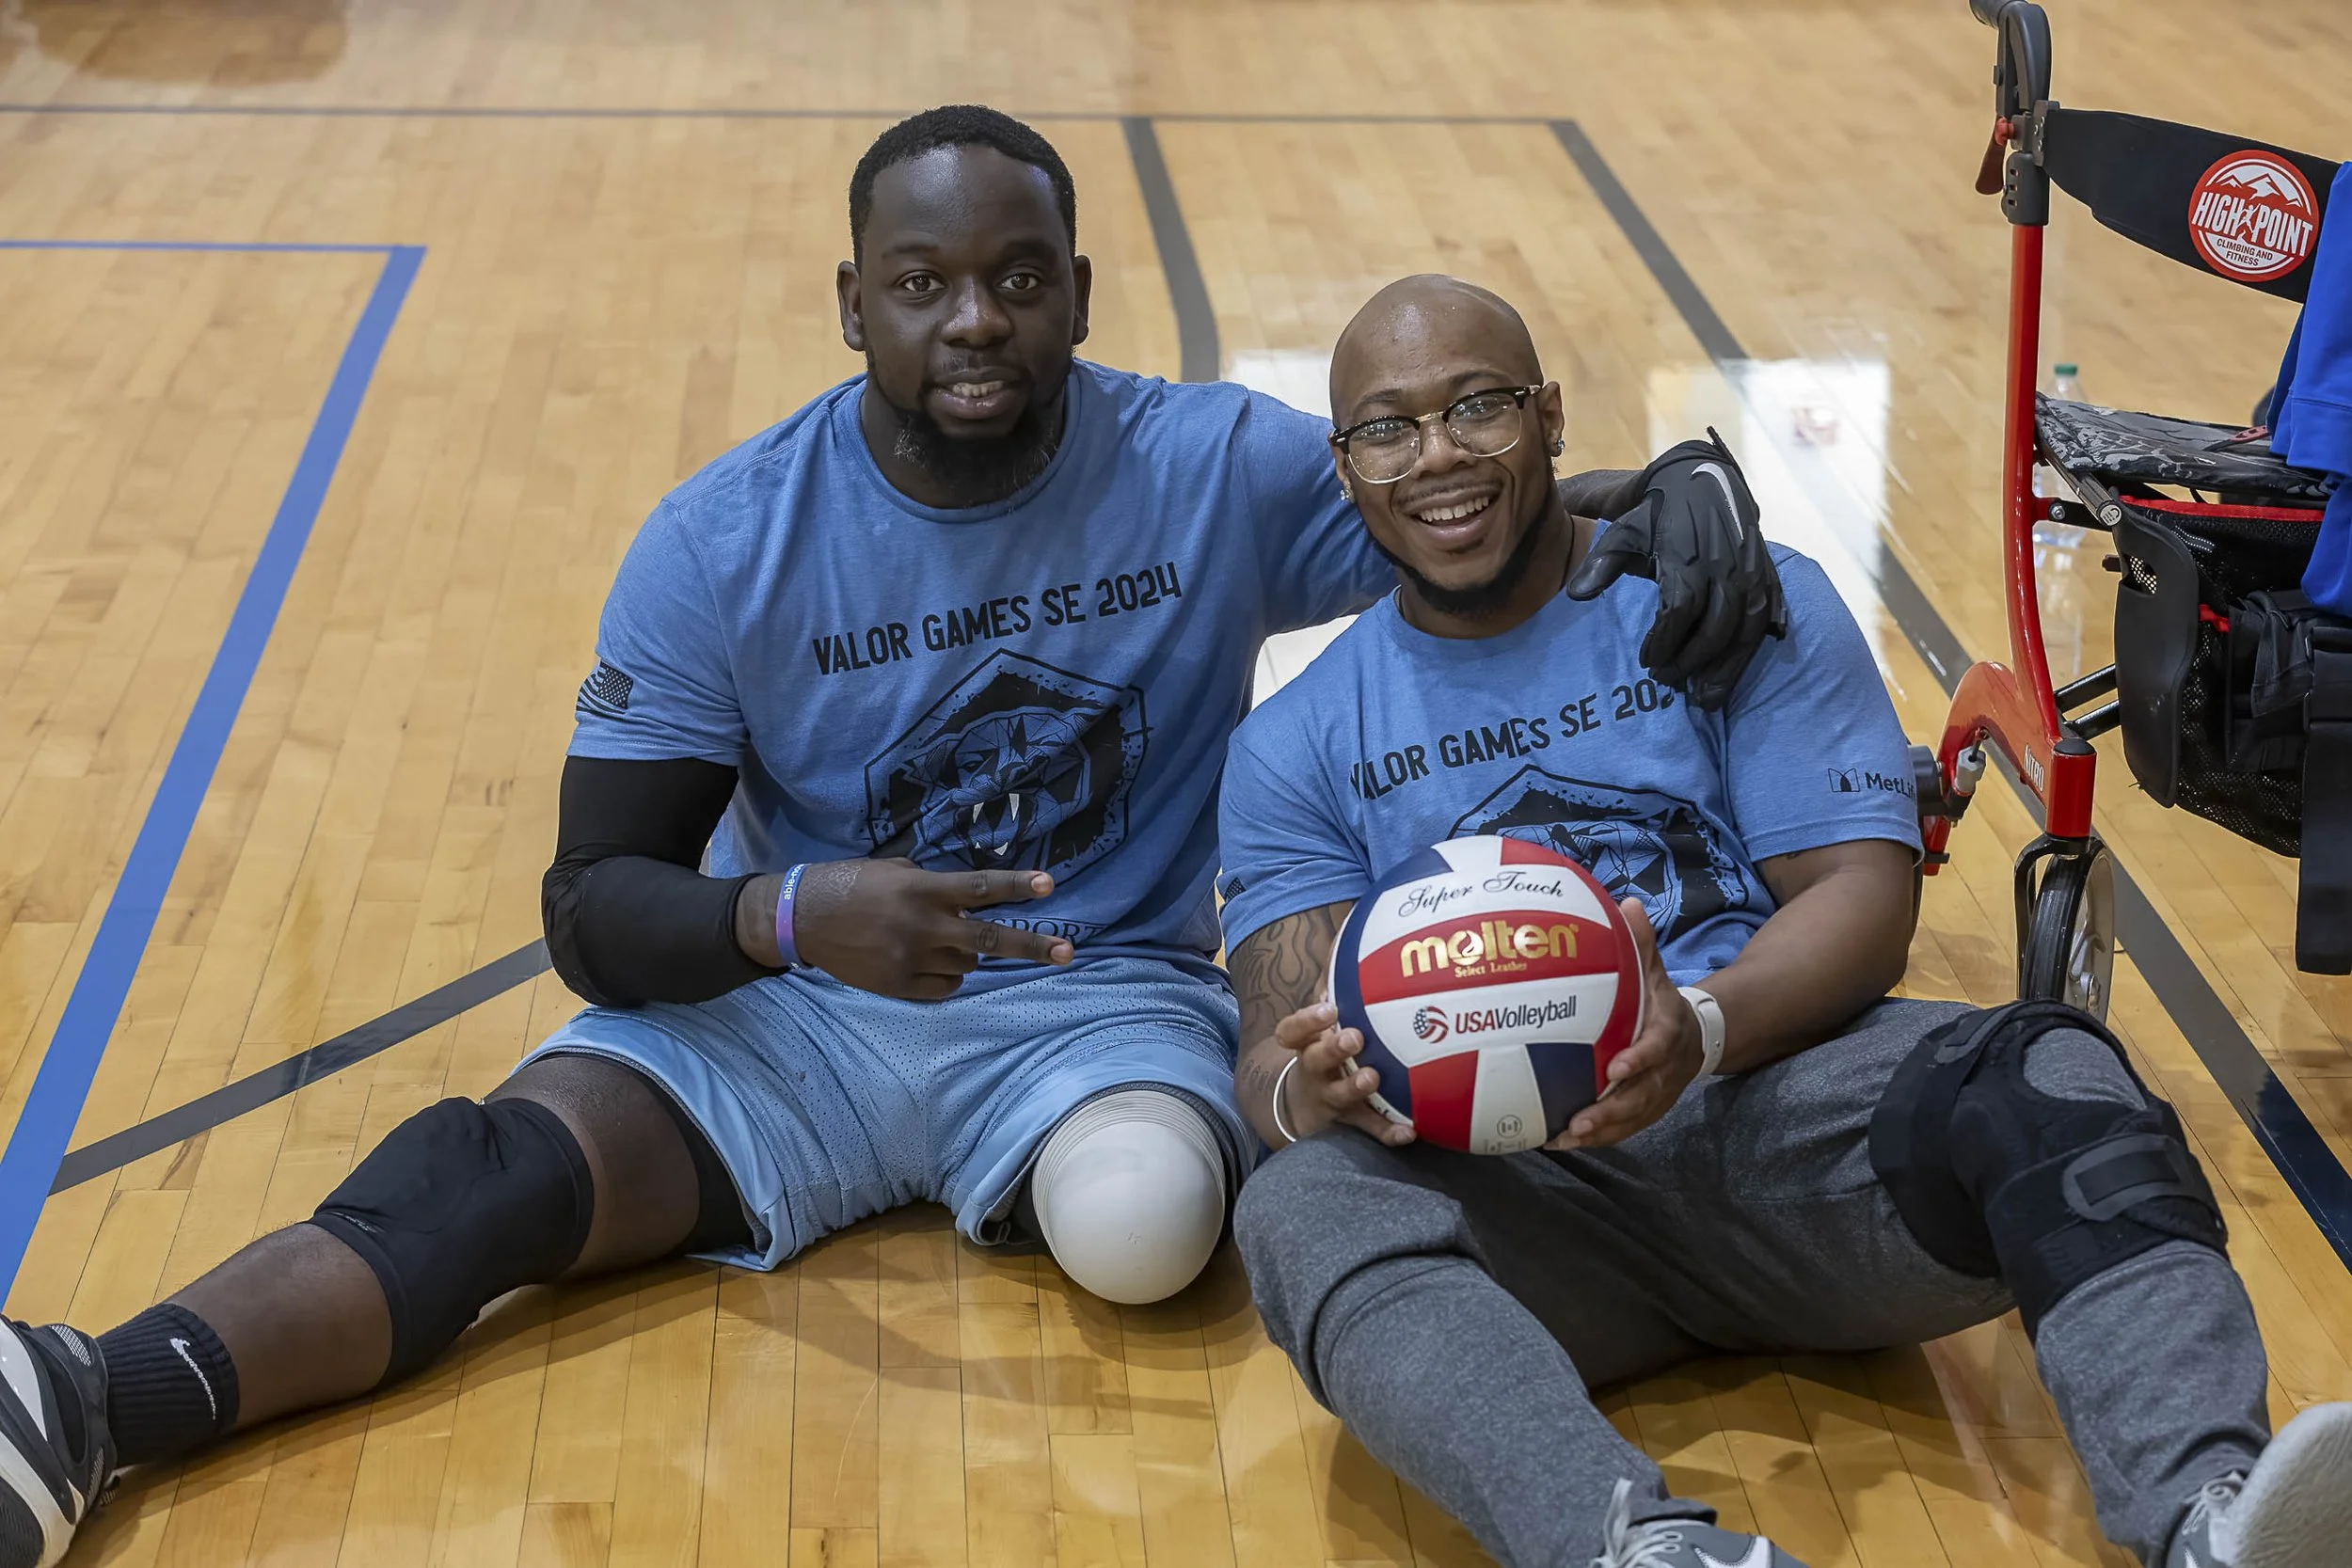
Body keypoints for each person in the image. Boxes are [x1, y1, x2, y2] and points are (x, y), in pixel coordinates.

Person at [0, 113, 1789, 1565]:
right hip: (797, 1016)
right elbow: (591, 908)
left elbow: (1468, 501)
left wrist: (1692, 481)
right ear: (850, 304)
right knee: (498, 1178)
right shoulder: (719, 543)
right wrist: (789, 915)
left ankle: (1012, 1177)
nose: (975, 323)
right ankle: (88, 1391)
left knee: (1156, 1227)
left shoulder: (1212, 467)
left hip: (1104, 1005)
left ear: (1078, 292)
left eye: (1019, 280)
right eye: (921, 284)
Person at [1217, 274, 2352, 1568]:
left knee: (2052, 1065)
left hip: (1776, 1114)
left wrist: (1694, 1031)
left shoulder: (1730, 595)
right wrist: (1311, 1090)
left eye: (1478, 407)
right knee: (1302, 1202)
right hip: (1529, 1209)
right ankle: (1633, 1549)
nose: (1438, 458)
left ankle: (2213, 1519)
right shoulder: (1294, 745)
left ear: (1548, 413)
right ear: (1345, 463)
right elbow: (1267, 1052)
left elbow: (1863, 902)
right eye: (1388, 427)